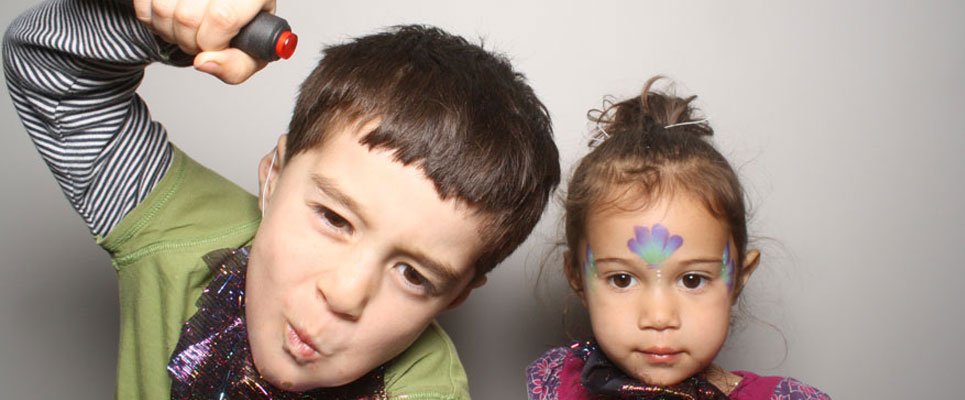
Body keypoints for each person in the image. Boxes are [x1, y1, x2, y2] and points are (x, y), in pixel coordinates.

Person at [3, 0, 560, 398]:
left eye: (413, 274)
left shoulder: (424, 390)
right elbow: (47, 69)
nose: (344, 294)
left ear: (457, 294)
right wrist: (181, 22)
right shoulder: (175, 231)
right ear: (273, 177)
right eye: (333, 218)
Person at [525, 77, 828, 400]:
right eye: (622, 279)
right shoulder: (559, 385)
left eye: (693, 280)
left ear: (739, 276)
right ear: (576, 276)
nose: (659, 317)